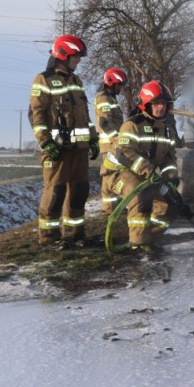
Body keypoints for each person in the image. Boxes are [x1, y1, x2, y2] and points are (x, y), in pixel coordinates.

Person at [28, 35, 99, 248]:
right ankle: (49, 239)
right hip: (57, 149)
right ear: (63, 55)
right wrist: (45, 142)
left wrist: (93, 139)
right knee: (55, 193)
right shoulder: (43, 80)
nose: (78, 60)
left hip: (79, 150)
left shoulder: (77, 81)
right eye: (76, 56)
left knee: (79, 192)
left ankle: (75, 235)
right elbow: (36, 114)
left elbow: (85, 116)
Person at [112, 81, 180, 253]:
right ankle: (137, 244)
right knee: (141, 195)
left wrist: (171, 177)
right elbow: (125, 153)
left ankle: (150, 239)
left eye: (163, 103)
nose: (160, 107)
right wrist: (149, 171)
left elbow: (169, 158)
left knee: (172, 203)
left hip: (149, 176)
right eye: (156, 103)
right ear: (147, 104)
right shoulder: (132, 125)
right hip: (121, 174)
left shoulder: (167, 130)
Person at [94, 68, 127, 218]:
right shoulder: (104, 98)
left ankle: (115, 206)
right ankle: (109, 209)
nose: (120, 88)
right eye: (119, 85)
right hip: (110, 145)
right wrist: (116, 141)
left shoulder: (111, 98)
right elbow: (105, 122)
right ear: (111, 82)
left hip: (113, 144)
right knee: (108, 176)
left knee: (116, 175)